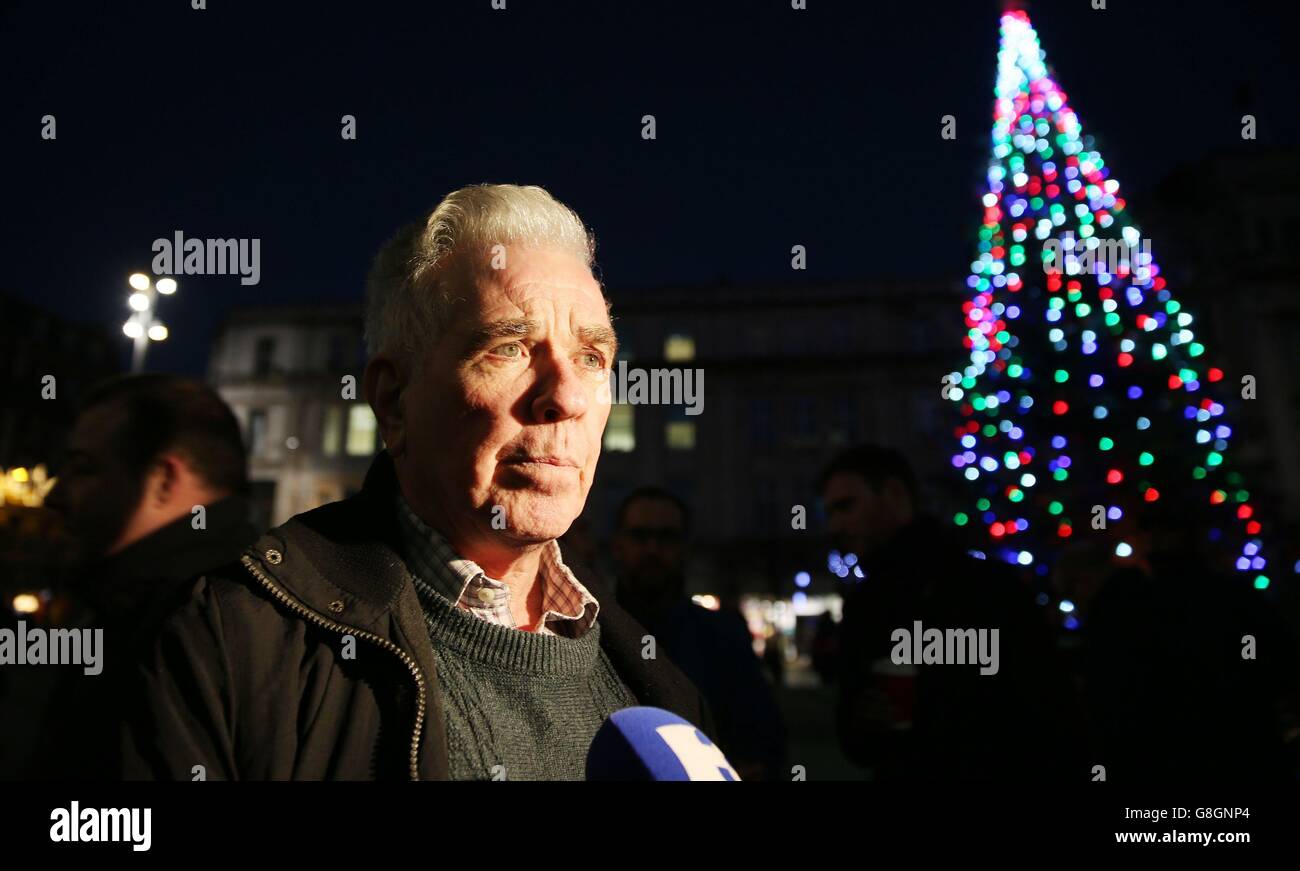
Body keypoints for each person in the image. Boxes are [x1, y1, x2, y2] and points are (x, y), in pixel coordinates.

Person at [125, 184, 714, 780]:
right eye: (510, 347)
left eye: (591, 358)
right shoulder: (225, 645)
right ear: (394, 401)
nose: (565, 397)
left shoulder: (664, 694)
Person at [31, 374, 256, 779]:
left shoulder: (187, 629)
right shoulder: (146, 605)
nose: (54, 494)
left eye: (83, 469)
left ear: (164, 480)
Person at [822, 445, 1079, 781]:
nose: (836, 526)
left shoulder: (984, 589)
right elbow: (856, 737)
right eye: (829, 513)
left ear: (895, 494)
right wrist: (864, 721)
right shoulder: (864, 603)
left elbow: (1050, 709)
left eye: (846, 506)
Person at [612, 487, 787, 780]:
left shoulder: (724, 635)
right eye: (640, 536)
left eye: (666, 537)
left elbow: (761, 737)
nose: (652, 549)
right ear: (618, 545)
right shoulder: (586, 630)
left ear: (685, 547)